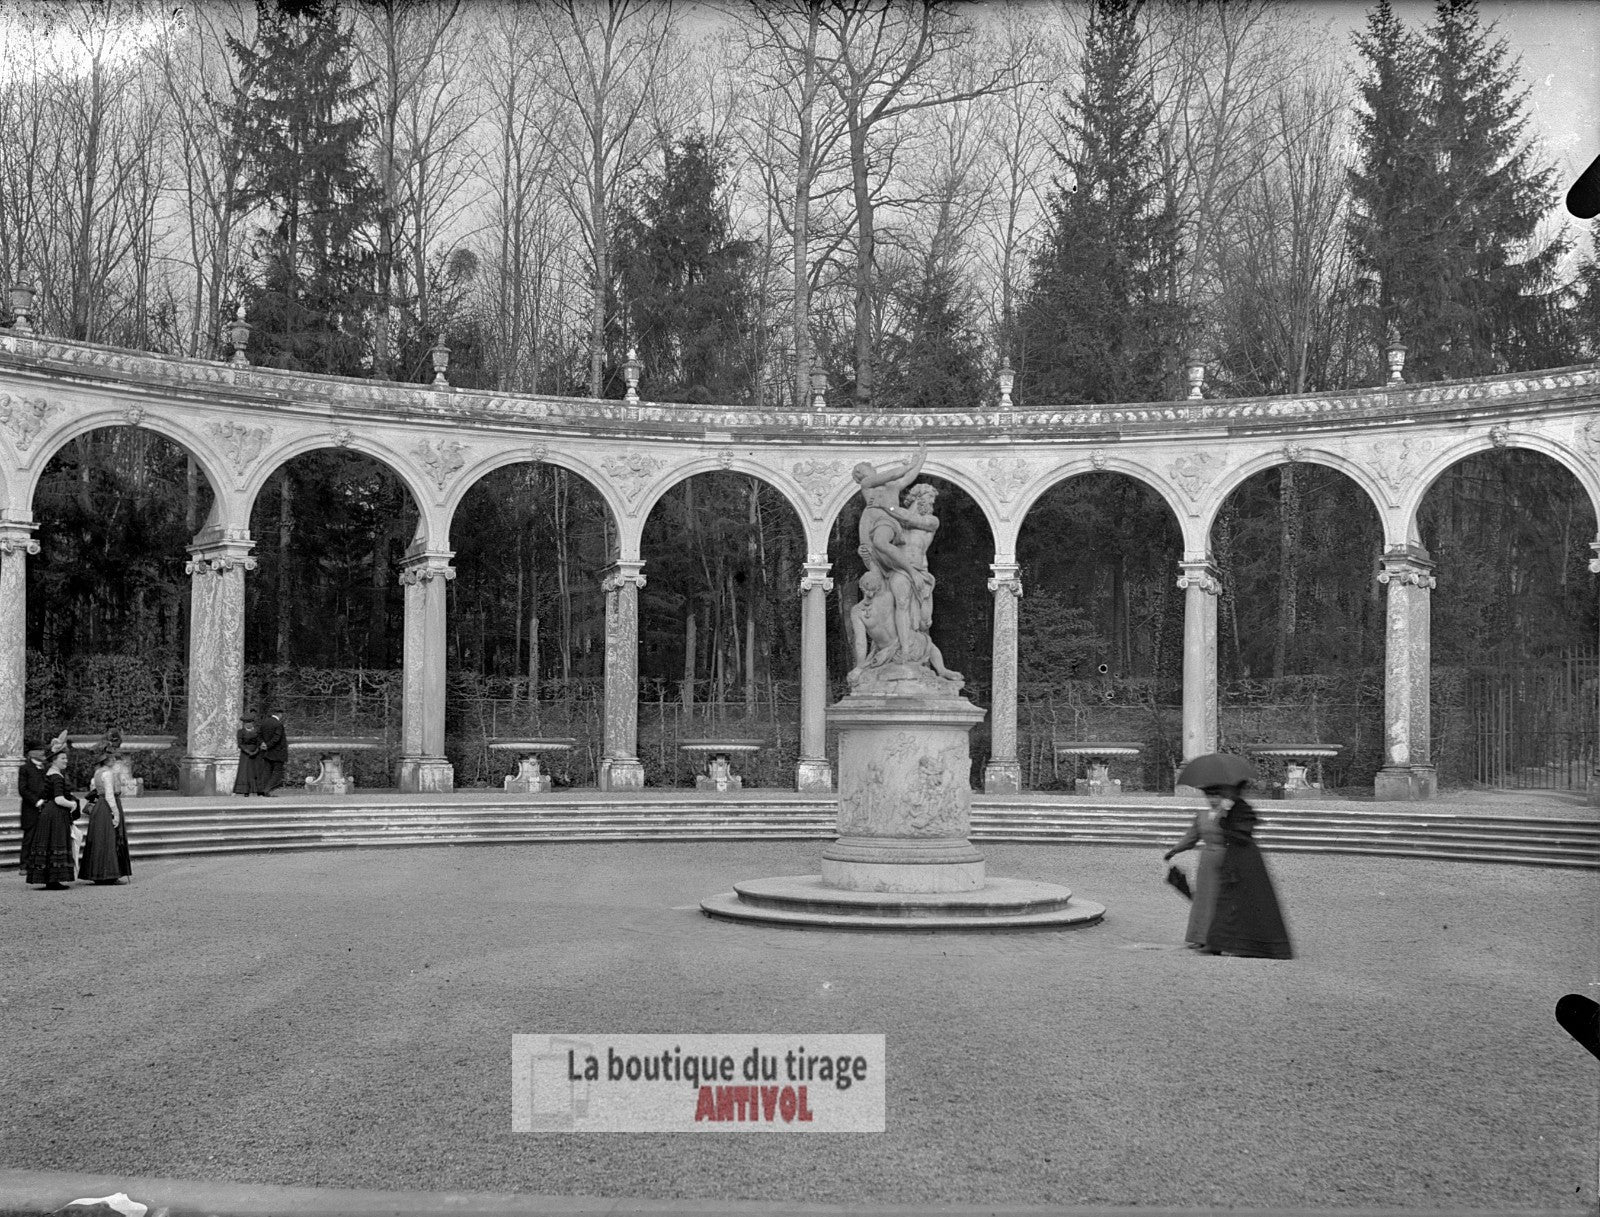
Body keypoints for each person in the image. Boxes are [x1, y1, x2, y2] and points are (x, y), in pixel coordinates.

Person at [1163, 781, 1293, 959]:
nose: (1213, 799)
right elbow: (1191, 837)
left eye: (1216, 795)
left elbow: (1242, 833)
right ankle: (1199, 936)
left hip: (1226, 858)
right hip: (1207, 861)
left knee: (1220, 900)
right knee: (1202, 898)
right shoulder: (1201, 815)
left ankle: (1216, 939)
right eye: (1210, 796)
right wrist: (1175, 850)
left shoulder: (1229, 813)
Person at [26, 751, 79, 890]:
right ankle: (53, 879)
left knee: (49, 843)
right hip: (55, 813)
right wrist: (73, 804)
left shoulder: (49, 773)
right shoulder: (56, 776)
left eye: (66, 758)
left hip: (48, 812)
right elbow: (59, 799)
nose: (66, 760)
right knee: (56, 842)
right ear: (54, 760)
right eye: (63, 758)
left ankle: (50, 878)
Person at [79, 754, 131, 884]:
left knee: (100, 839)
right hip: (107, 807)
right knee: (110, 839)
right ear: (106, 761)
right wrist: (116, 813)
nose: (114, 760)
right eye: (111, 758)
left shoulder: (98, 772)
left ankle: (98, 873)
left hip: (99, 806)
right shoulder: (107, 773)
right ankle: (109, 875)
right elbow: (109, 795)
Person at [18, 746, 49, 879]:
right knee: (29, 837)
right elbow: (23, 789)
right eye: (39, 750)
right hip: (31, 808)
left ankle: (40, 863)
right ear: (31, 754)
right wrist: (37, 801)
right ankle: (24, 865)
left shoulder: (46, 767)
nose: (43, 753)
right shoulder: (25, 768)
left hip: (46, 807)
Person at [233, 714, 270, 796]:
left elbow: (259, 741)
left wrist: (256, 751)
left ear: (252, 723)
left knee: (257, 771)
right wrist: (248, 752)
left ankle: (259, 790)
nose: (248, 724)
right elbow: (240, 744)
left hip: (256, 753)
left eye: (250, 722)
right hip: (245, 754)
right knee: (245, 772)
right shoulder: (240, 732)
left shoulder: (257, 731)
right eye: (246, 723)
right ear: (244, 724)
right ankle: (246, 790)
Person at [258, 708, 288, 794]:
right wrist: (268, 745)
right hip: (277, 752)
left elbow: (259, 735)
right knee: (277, 772)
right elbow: (277, 738)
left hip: (267, 752)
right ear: (279, 714)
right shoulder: (278, 724)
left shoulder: (264, 722)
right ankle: (267, 790)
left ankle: (262, 789)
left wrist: (263, 743)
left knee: (267, 771)